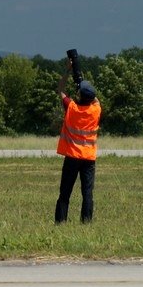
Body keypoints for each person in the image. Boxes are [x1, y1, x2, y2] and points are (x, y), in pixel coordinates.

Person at [55, 59, 102, 224]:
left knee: (65, 192)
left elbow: (60, 90)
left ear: (80, 96)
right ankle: (86, 222)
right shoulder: (96, 110)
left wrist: (68, 70)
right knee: (87, 193)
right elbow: (94, 99)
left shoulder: (72, 108)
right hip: (88, 158)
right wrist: (82, 86)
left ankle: (60, 222)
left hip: (72, 157)